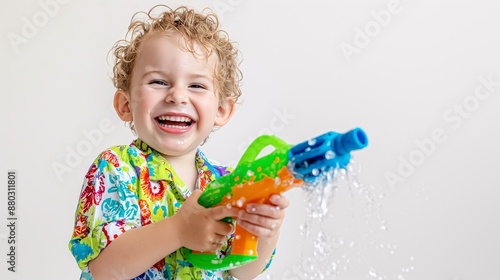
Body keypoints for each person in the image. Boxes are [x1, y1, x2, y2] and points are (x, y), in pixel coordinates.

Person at [68, 5, 289, 280]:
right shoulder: (116, 168)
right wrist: (178, 230)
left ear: (221, 110)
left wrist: (265, 232)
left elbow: (241, 270)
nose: (177, 96)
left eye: (196, 86)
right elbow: (105, 269)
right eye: (159, 81)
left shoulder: (227, 181)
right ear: (125, 104)